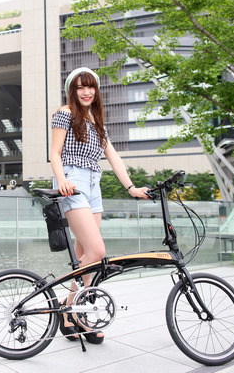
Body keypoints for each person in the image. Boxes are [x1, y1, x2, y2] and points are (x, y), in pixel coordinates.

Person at [51, 67, 149, 344]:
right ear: (73, 90)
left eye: (91, 87)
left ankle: (74, 313)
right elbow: (54, 153)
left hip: (94, 187)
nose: (86, 92)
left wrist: (131, 187)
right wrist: (62, 181)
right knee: (97, 251)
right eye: (81, 87)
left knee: (87, 259)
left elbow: (113, 156)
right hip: (73, 182)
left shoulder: (97, 121)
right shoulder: (65, 113)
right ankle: (66, 306)